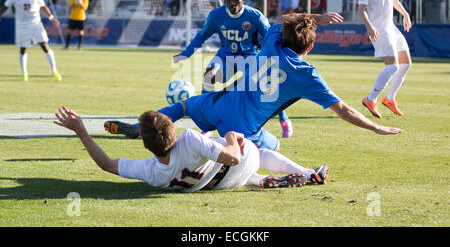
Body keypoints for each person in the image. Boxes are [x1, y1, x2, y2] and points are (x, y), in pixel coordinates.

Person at [104, 12, 403, 153]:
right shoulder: (307, 75)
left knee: (182, 105)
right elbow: (343, 109)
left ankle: (140, 127)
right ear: (309, 48)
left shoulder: (273, 38)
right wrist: (376, 127)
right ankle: (196, 144)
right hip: (241, 127)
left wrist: (315, 17)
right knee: (273, 147)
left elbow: (288, 18)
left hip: (215, 102)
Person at [56, 106, 333, 191]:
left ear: (147, 145)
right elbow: (234, 157)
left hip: (218, 184)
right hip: (236, 165)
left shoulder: (150, 171)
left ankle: (260, 181)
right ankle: (309, 173)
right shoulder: (188, 138)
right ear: (172, 131)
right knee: (255, 149)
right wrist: (230, 136)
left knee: (228, 167)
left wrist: (81, 130)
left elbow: (107, 164)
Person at [172, 0, 294, 138]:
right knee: (209, 76)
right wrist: (186, 54)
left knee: (267, 84)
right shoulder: (216, 15)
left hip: (249, 56)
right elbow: (201, 36)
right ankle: (206, 123)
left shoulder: (254, 16)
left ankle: (284, 119)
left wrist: (280, 54)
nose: (232, 3)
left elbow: (270, 36)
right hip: (225, 57)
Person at [358, 0, 412, 118]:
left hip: (392, 28)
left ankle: (390, 99)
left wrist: (405, 13)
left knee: (406, 64)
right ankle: (371, 99)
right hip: (380, 30)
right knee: (393, 66)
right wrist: (369, 26)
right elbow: (361, 10)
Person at [0, 0, 62, 82]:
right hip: (22, 26)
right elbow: (5, 6)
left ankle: (54, 70)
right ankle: (24, 73)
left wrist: (52, 18)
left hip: (36, 24)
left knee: (44, 45)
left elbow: (43, 7)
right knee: (23, 49)